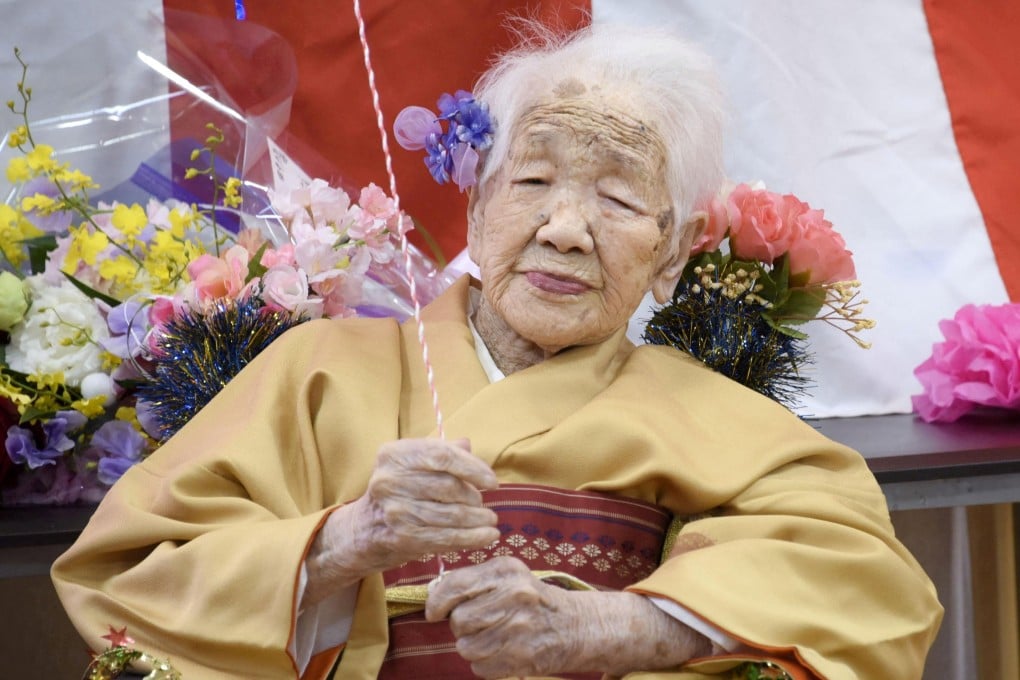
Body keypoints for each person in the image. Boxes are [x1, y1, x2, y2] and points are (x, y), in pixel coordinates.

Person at [52, 21, 942, 680]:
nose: (565, 229)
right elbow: (126, 582)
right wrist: (346, 540)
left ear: (674, 253)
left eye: (620, 201)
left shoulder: (724, 420)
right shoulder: (316, 371)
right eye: (535, 180)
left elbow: (873, 593)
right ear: (477, 207)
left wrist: (611, 630)